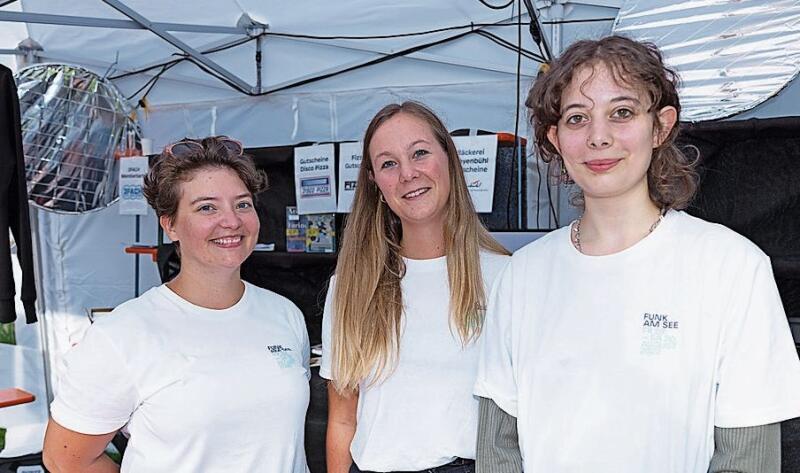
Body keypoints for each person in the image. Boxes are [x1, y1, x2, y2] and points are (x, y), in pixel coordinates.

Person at [475, 35, 800, 473]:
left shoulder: (732, 268)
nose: (598, 137)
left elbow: (749, 458)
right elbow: (499, 448)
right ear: (555, 139)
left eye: (622, 113)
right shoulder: (521, 277)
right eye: (576, 118)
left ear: (661, 125)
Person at [42, 136, 311, 473]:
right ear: (169, 224)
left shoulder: (284, 314)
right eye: (206, 207)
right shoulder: (122, 335)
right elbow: (65, 459)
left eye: (242, 204)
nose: (231, 220)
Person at [321, 101, 510, 473]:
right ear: (374, 182)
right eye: (388, 163)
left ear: (449, 159)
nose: (408, 173)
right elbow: (343, 419)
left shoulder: (507, 277)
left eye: (420, 153)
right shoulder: (350, 287)